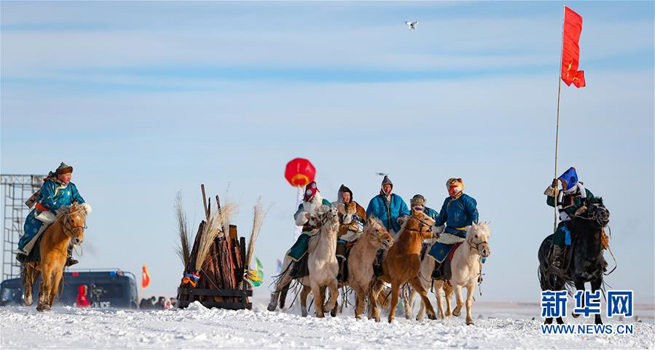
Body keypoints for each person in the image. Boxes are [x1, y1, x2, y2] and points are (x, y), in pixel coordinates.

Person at [17, 162, 87, 266]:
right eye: (66, 175)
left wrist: (83, 206)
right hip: (45, 213)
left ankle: (68, 255)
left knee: (71, 228)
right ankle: (23, 252)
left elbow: (78, 198)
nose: (69, 177)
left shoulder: (72, 187)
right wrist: (62, 209)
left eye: (70, 175)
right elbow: (49, 202)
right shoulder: (49, 185)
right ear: (59, 175)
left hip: (64, 215)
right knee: (36, 230)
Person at [544, 167, 594, 269]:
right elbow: (550, 202)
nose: (562, 185)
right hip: (568, 222)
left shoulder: (585, 193)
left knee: (597, 233)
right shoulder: (561, 194)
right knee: (560, 232)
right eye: (562, 183)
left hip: (584, 222)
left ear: (571, 181)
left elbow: (593, 204)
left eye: (564, 183)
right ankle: (557, 257)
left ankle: (599, 257)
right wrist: (553, 188)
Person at [428, 178, 479, 275]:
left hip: (466, 233)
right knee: (437, 247)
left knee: (479, 246)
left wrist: (472, 226)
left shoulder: (467, 200)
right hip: (450, 232)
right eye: (449, 189)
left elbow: (474, 214)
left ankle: (478, 272)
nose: (451, 191)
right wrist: (437, 226)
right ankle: (438, 270)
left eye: (453, 188)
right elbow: (442, 215)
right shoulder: (448, 201)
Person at [286, 181, 332, 262]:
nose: (310, 199)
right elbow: (296, 217)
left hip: (322, 231)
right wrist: (305, 215)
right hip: (308, 232)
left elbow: (332, 209)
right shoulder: (303, 206)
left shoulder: (324, 202)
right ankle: (296, 266)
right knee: (303, 243)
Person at [333, 185, 366, 282]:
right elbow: (331, 218)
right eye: (344, 195)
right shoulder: (336, 206)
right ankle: (339, 272)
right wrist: (341, 219)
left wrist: (358, 217)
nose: (346, 197)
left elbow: (364, 216)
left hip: (355, 231)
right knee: (340, 247)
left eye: (347, 195)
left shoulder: (355, 205)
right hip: (341, 232)